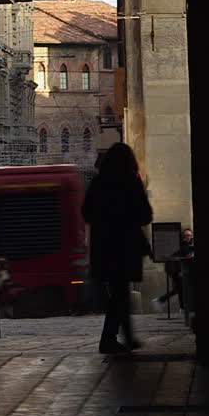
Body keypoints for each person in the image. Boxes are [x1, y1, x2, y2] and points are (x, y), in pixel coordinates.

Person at [81, 142, 153, 354]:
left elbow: (86, 212)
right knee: (120, 292)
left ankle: (120, 338)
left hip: (104, 247)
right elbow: (145, 215)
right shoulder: (131, 182)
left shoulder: (98, 182)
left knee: (118, 292)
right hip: (124, 246)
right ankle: (111, 338)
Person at [153, 227, 194, 313]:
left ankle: (180, 307)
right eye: (186, 235)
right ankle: (162, 300)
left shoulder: (188, 245)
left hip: (181, 270)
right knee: (179, 289)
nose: (188, 237)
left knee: (179, 289)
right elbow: (176, 258)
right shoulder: (182, 245)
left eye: (190, 235)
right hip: (177, 270)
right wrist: (179, 271)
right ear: (183, 236)